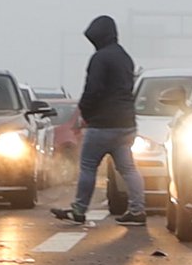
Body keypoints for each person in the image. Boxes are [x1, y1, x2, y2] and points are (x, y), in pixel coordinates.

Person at [51, 15, 147, 226]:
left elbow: (93, 90)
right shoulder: (125, 57)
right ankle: (137, 210)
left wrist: (84, 113)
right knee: (128, 169)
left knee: (88, 166)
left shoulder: (100, 58)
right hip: (126, 124)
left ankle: (79, 209)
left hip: (102, 125)